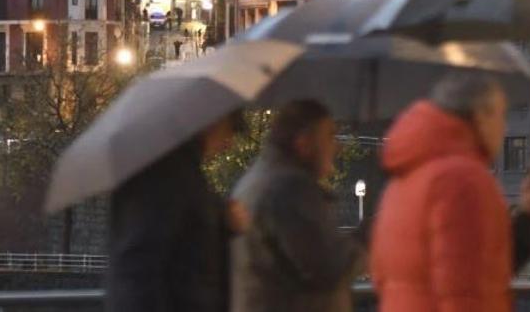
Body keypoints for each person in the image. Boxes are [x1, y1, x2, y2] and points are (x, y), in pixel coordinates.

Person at [371, 74, 530, 312]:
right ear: (480, 117)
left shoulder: (405, 176)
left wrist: (529, 219)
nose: (504, 126)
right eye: (501, 115)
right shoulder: (462, 179)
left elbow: (479, 268)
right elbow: (464, 294)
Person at [230, 100, 365, 312]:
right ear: (303, 143)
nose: (337, 147)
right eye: (329, 135)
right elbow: (330, 266)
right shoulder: (289, 190)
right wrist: (371, 235)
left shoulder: (258, 181)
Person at [107, 112, 240, 312]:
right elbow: (142, 267)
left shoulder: (178, 172)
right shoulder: (169, 176)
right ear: (212, 122)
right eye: (230, 129)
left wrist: (224, 223)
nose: (228, 143)